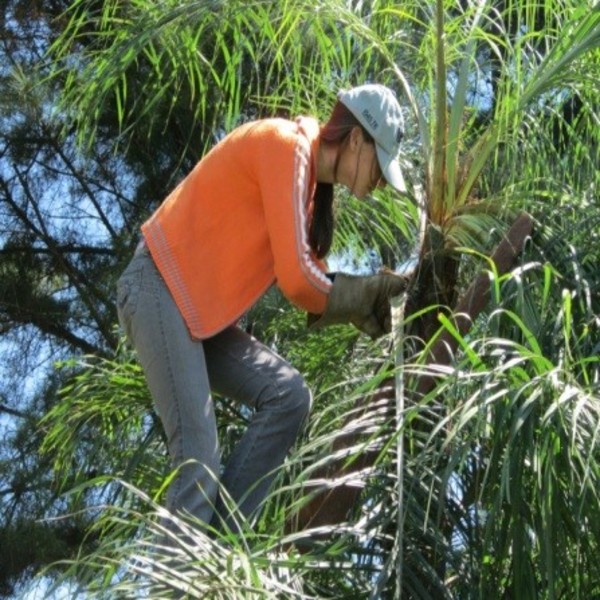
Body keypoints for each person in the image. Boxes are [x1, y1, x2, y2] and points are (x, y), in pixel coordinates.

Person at [116, 83, 408, 534]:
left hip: (195, 315)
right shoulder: (286, 147)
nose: (381, 183)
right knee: (198, 457)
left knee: (288, 395)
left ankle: (218, 550)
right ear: (355, 139)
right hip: (157, 286)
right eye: (380, 165)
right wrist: (357, 296)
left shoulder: (308, 190)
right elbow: (297, 280)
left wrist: (361, 296)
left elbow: (312, 277)